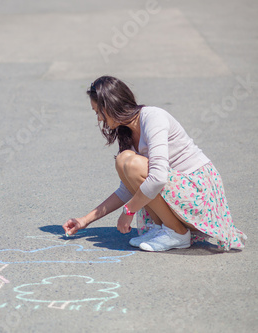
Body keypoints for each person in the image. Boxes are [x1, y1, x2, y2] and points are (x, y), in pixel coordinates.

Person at [62, 76, 246, 252]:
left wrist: (129, 211)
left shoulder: (153, 117)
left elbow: (158, 178)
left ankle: (178, 233)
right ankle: (163, 229)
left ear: (111, 106)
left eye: (98, 112)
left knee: (132, 163)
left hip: (199, 193)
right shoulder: (127, 131)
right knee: (123, 161)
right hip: (180, 192)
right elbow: (128, 188)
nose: (99, 119)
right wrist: (85, 220)